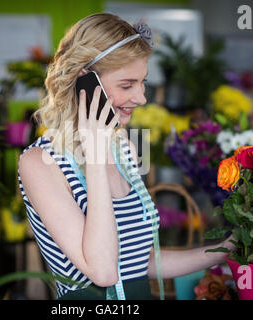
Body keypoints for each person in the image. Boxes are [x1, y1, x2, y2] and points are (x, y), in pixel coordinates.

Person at [18, 13, 235, 300]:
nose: (142, 98)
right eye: (126, 85)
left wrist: (227, 250)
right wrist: (95, 156)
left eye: (142, 82)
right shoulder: (39, 163)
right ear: (86, 83)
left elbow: (138, 263)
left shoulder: (124, 151)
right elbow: (104, 272)